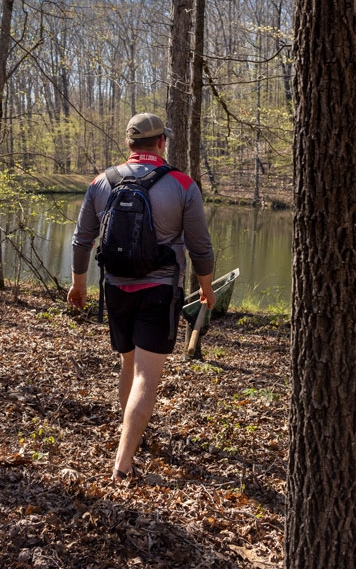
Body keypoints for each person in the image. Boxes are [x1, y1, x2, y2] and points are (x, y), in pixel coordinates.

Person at [68, 112, 216, 480]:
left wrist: (79, 283)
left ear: (129, 144)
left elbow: (82, 238)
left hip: (115, 288)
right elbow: (200, 246)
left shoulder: (102, 182)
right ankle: (123, 462)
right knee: (146, 377)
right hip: (159, 289)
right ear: (161, 142)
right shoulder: (182, 184)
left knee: (128, 366)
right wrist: (207, 287)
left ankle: (129, 437)